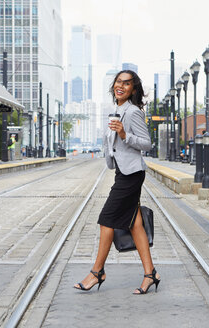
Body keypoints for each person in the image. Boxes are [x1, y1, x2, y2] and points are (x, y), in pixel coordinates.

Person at [74, 70, 160, 294]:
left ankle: (97, 272)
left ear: (133, 89)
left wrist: (124, 135)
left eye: (127, 84)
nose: (121, 86)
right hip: (123, 172)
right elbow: (111, 147)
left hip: (131, 175)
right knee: (135, 224)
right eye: (118, 82)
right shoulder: (116, 111)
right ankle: (150, 274)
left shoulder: (132, 113)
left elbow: (147, 144)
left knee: (107, 219)